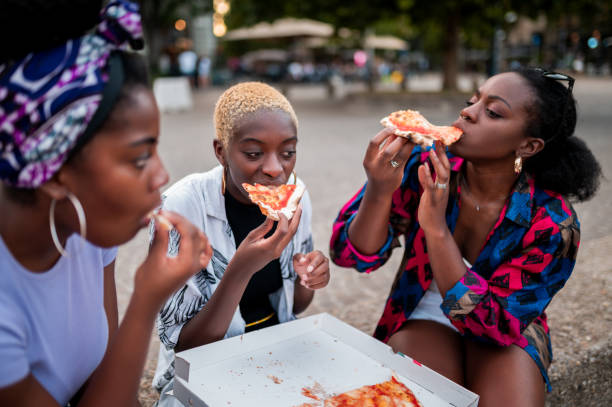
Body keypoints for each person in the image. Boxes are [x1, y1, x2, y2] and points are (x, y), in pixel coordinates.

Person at [330, 67, 601, 406]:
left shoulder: (553, 224)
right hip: (423, 313)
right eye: (472, 100)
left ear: (528, 146)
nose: (467, 113)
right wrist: (380, 189)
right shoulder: (422, 164)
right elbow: (350, 255)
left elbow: (493, 326)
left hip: (505, 324)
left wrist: (435, 227)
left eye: (492, 111)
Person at [0, 1, 212, 406]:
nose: (162, 175)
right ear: (55, 170)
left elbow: (109, 384)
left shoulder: (87, 228)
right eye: (139, 158)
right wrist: (146, 299)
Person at [153, 82, 331, 402]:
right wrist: (240, 270)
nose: (276, 169)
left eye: (288, 153)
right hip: (208, 366)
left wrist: (309, 277)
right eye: (253, 154)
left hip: (279, 346)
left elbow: (297, 305)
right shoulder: (181, 208)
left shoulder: (295, 195)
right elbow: (186, 346)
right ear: (221, 151)